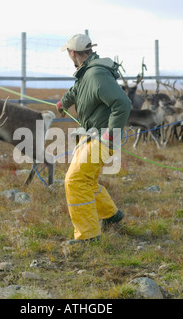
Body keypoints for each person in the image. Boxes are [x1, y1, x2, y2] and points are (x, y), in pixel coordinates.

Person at [56, 34, 131, 244]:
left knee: (75, 181)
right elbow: (77, 90)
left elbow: (122, 103)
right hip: (92, 136)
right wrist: (63, 103)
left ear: (72, 53)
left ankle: (88, 236)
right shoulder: (87, 72)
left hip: (102, 138)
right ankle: (111, 216)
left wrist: (111, 134)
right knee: (87, 180)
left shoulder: (96, 74)